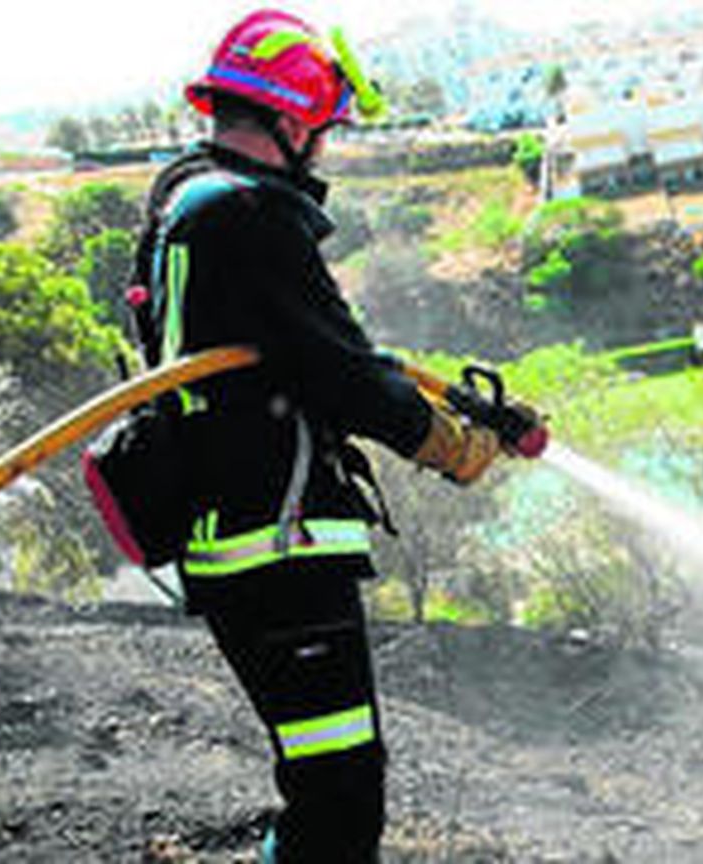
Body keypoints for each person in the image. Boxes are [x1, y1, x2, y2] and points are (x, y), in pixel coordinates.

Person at [137, 10, 508, 861]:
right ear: (293, 120)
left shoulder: (182, 205)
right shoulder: (248, 215)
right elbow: (340, 374)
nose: (326, 148)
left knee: (327, 787)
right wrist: (444, 444)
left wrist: (414, 397)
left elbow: (315, 349)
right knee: (340, 799)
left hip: (234, 542)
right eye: (325, 129)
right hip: (277, 544)